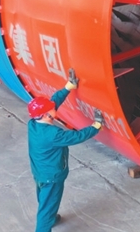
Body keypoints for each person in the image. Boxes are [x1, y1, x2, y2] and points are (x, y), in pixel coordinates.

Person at [27, 69, 103, 232]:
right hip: (52, 176)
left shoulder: (33, 124)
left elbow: (53, 103)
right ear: (46, 115)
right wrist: (96, 126)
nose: (53, 107)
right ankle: (46, 223)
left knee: (45, 199)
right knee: (47, 207)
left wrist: (68, 87)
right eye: (50, 109)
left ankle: (51, 216)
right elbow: (77, 136)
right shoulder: (53, 134)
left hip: (40, 172)